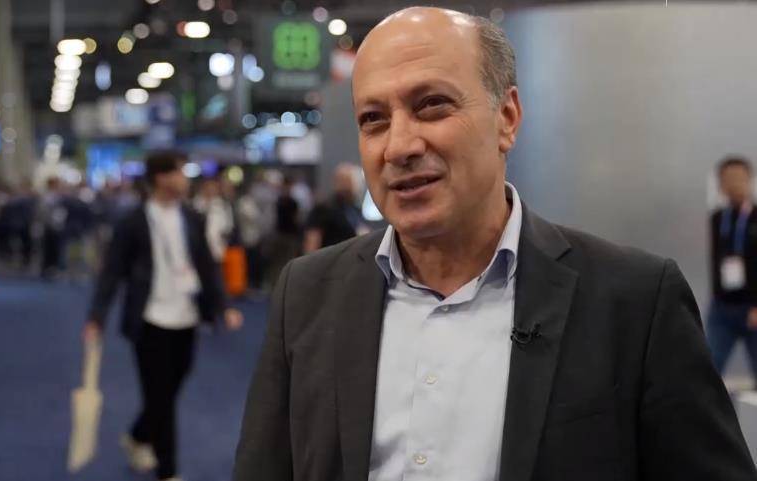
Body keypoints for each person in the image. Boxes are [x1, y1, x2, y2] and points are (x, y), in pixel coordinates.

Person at [234, 7, 757, 481]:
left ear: (506, 118)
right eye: (374, 119)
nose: (399, 146)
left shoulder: (634, 301)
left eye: (432, 105)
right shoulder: (307, 293)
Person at [83, 150, 243, 481]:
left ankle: (138, 435)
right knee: (161, 398)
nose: (185, 179)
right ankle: (167, 471)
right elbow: (112, 271)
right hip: (149, 319)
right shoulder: (132, 221)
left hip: (187, 316)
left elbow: (206, 267)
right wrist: (97, 316)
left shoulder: (192, 217)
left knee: (170, 388)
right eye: (180, 172)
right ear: (161, 178)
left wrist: (223, 306)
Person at [707, 156, 757, 381]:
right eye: (728, 179)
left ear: (750, 180)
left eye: (739, 178)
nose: (734, 184)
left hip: (752, 308)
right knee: (709, 369)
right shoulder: (717, 219)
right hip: (722, 307)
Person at [303, 163, 368, 253]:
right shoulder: (324, 209)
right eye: (352, 180)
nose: (357, 185)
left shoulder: (354, 209)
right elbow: (312, 243)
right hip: (331, 258)